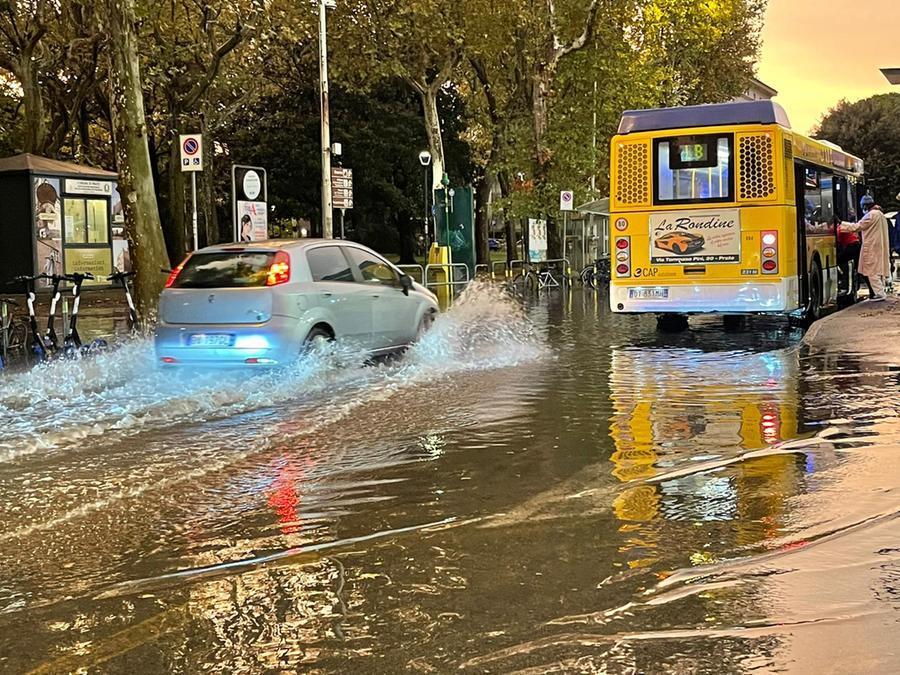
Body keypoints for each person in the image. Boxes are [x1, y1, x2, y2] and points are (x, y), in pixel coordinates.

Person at [838, 195, 890, 301]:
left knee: (871, 271)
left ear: (865, 205)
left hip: (872, 246)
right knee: (876, 270)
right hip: (878, 246)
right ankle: (878, 292)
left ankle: (879, 294)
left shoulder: (871, 215)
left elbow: (857, 227)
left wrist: (841, 224)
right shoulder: (880, 214)